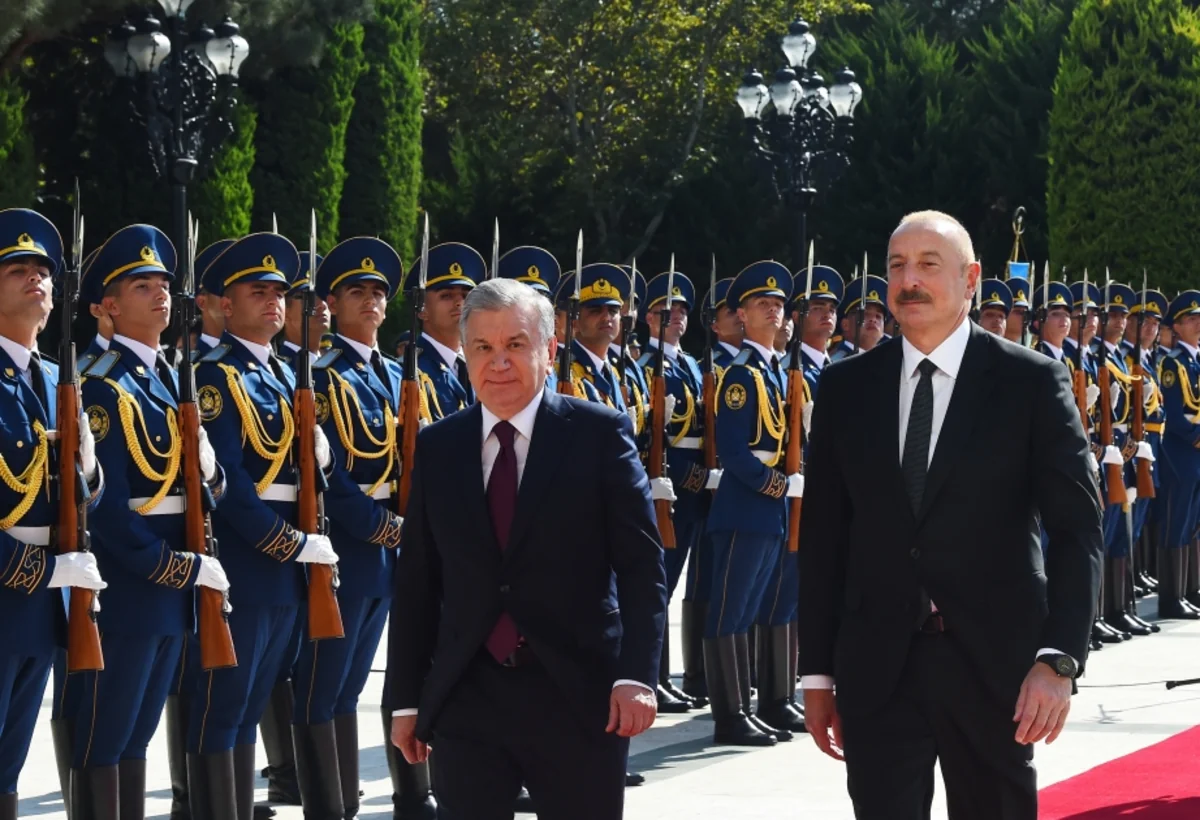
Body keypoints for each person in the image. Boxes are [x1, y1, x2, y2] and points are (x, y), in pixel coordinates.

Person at [799, 210, 1103, 820]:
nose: (909, 280)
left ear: (971, 280)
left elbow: (1076, 530)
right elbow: (826, 538)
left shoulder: (1031, 383)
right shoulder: (846, 388)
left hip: (997, 672)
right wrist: (817, 676)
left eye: (928, 266)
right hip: (878, 671)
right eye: (897, 266)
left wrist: (1060, 658)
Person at [386, 277, 667, 820]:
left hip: (579, 694)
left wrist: (636, 677)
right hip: (469, 695)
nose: (498, 363)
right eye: (483, 348)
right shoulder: (441, 446)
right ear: (465, 354)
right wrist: (405, 700)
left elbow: (640, 567)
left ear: (549, 350)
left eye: (516, 345)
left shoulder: (598, 435)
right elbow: (418, 580)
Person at [73, 224, 230, 817]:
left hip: (175, 583)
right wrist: (173, 567)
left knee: (136, 735)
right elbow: (108, 511)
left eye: (164, 282)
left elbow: (203, 483)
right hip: (132, 584)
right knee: (105, 735)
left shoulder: (167, 375)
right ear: (107, 306)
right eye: (143, 285)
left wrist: (213, 477)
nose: (161, 293)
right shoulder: (100, 383)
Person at [190, 232, 340, 819]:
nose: (275, 300)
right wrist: (291, 545)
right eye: (259, 291)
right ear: (225, 305)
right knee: (222, 709)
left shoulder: (283, 372)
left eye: (280, 291)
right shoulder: (214, 377)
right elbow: (227, 487)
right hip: (250, 564)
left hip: (290, 568)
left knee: (251, 704)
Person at [0, 208, 107, 820]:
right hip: (16, 583)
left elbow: (77, 492)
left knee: (11, 759)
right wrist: (41, 572)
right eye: (18, 270)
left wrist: (89, 471)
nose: (36, 280)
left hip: (43, 597)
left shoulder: (52, 377)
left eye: (43, 270)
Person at [704, 260, 801, 747]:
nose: (773, 309)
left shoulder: (770, 370)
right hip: (748, 506)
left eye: (779, 303)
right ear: (742, 314)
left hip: (768, 511)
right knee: (729, 610)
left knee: (746, 611)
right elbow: (735, 451)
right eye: (762, 303)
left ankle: (748, 708)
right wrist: (779, 486)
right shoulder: (742, 374)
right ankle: (729, 715)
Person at [639, 271, 713, 713]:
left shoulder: (687, 363)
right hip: (668, 481)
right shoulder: (649, 365)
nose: (679, 316)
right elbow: (655, 434)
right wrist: (690, 476)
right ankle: (653, 677)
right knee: (656, 587)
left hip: (690, 487)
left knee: (666, 588)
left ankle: (662, 677)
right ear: (650, 317)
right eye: (669, 310)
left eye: (684, 309)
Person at [1155, 290, 1200, 619]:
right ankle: (1171, 597)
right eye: (1190, 320)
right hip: (1181, 453)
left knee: (1193, 523)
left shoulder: (1196, 360)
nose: (1197, 324)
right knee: (1177, 521)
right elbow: (1173, 413)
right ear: (1177, 327)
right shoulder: (1173, 364)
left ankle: (1190, 590)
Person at [400, 242, 484, 420]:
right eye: (446, 296)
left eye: (465, 295)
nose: (460, 303)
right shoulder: (406, 371)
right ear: (422, 310)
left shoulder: (482, 364)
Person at [829, 275, 888, 361]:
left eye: (878, 317)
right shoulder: (836, 362)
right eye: (865, 314)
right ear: (845, 324)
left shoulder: (883, 363)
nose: (873, 320)